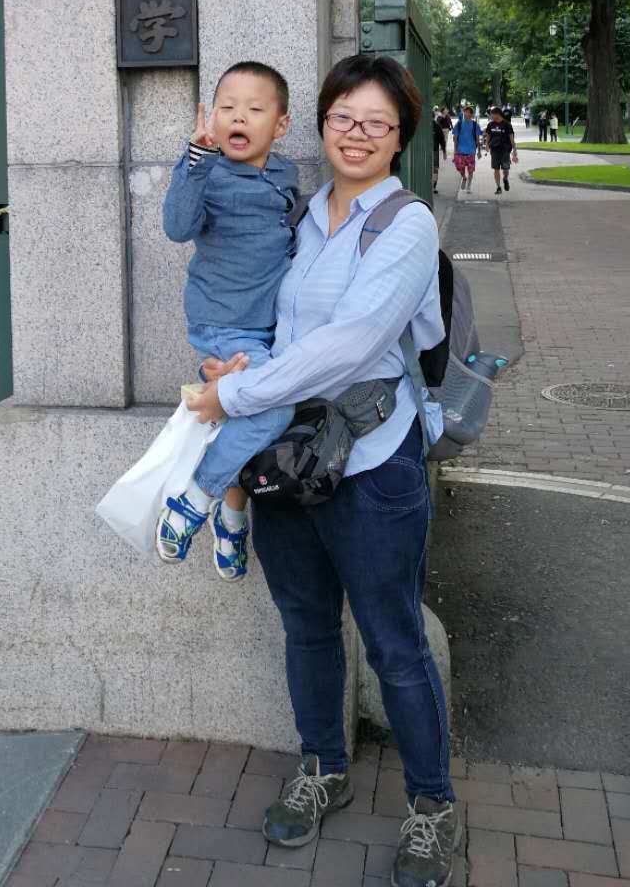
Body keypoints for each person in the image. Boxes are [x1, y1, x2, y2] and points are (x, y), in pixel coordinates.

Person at [185, 54, 460, 887]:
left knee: (394, 642)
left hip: (373, 462)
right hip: (289, 456)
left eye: (377, 122)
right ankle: (323, 769)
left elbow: (353, 344)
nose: (357, 134)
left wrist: (236, 398)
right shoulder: (297, 215)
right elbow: (260, 306)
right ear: (321, 122)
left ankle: (431, 806)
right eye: (343, 117)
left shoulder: (407, 226)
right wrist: (227, 360)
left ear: (400, 135)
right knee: (305, 624)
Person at [158, 62, 299, 581]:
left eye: (255, 109)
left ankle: (233, 516)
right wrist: (195, 159)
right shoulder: (204, 171)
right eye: (227, 107)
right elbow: (176, 227)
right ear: (211, 117)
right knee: (270, 408)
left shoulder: (284, 173)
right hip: (226, 326)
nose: (239, 117)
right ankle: (197, 496)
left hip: (271, 328)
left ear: (280, 125)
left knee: (245, 415)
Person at [484, 105, 517, 195]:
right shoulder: (490, 124)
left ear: (497, 114)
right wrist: (486, 144)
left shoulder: (507, 124)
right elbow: (488, 135)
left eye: (492, 115)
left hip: (505, 150)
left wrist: (514, 151)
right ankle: (498, 187)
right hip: (494, 149)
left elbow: (511, 138)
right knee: (496, 169)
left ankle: (505, 179)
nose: (491, 117)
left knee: (505, 168)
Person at [452, 103, 480, 192]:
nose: (466, 114)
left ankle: (468, 186)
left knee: (471, 170)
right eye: (465, 112)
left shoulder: (475, 125)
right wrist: (455, 150)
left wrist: (479, 151)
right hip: (460, 151)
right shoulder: (459, 124)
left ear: (471, 114)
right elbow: (455, 138)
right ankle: (464, 177)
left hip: (471, 151)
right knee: (461, 168)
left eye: (468, 112)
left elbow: (477, 139)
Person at [431, 110, 447, 192]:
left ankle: (433, 185)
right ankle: (432, 185)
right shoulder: (436, 126)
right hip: (433, 150)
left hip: (435, 150)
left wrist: (444, 151)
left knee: (435, 168)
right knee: (434, 168)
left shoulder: (436, 126)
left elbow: (442, 140)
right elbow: (442, 140)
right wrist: (444, 151)